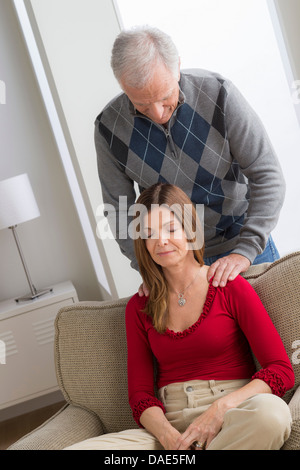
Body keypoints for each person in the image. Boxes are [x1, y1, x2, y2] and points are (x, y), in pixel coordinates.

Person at [65, 183, 294, 450]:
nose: (161, 241)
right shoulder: (139, 307)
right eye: (149, 234)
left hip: (233, 417)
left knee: (272, 416)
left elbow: (280, 371)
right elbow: (140, 397)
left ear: (190, 230)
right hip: (170, 429)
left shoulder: (229, 286)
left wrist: (219, 409)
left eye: (170, 229)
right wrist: (168, 437)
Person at [95, 26, 286, 290]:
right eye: (141, 105)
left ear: (178, 68)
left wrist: (245, 250)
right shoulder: (109, 128)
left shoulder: (219, 94)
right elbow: (119, 211)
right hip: (177, 263)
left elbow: (267, 175)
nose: (158, 113)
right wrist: (147, 269)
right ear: (122, 85)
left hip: (245, 248)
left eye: (164, 98)